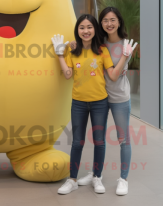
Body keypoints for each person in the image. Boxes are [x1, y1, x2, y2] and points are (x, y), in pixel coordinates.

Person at [51, 14, 134, 195]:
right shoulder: (72, 51)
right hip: (79, 103)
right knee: (77, 142)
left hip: (100, 103)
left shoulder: (102, 50)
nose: (86, 31)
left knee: (99, 142)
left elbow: (112, 75)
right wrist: (60, 53)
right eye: (82, 27)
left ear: (95, 29)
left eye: (89, 27)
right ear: (77, 31)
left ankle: (97, 176)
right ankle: (72, 179)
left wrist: (126, 56)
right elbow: (67, 74)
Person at [72, 7, 138, 196]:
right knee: (98, 139)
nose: (108, 24)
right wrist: (70, 44)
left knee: (123, 139)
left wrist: (126, 55)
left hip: (118, 98)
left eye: (112, 20)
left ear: (119, 22)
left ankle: (123, 179)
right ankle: (96, 174)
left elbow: (116, 75)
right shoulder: (98, 42)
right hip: (98, 96)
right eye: (105, 21)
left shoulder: (127, 45)